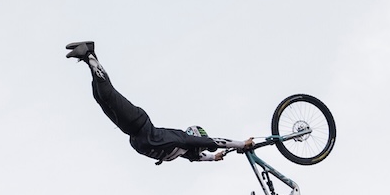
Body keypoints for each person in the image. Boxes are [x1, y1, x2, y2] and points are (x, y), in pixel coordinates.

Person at [65, 42, 254, 164]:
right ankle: (89, 54)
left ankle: (88, 56)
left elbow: (198, 157)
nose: (202, 148)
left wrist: (214, 158)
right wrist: (242, 144)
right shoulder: (185, 140)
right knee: (108, 95)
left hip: (132, 131)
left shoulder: (184, 151)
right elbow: (217, 141)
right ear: (196, 138)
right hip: (138, 124)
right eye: (201, 145)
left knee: (99, 97)